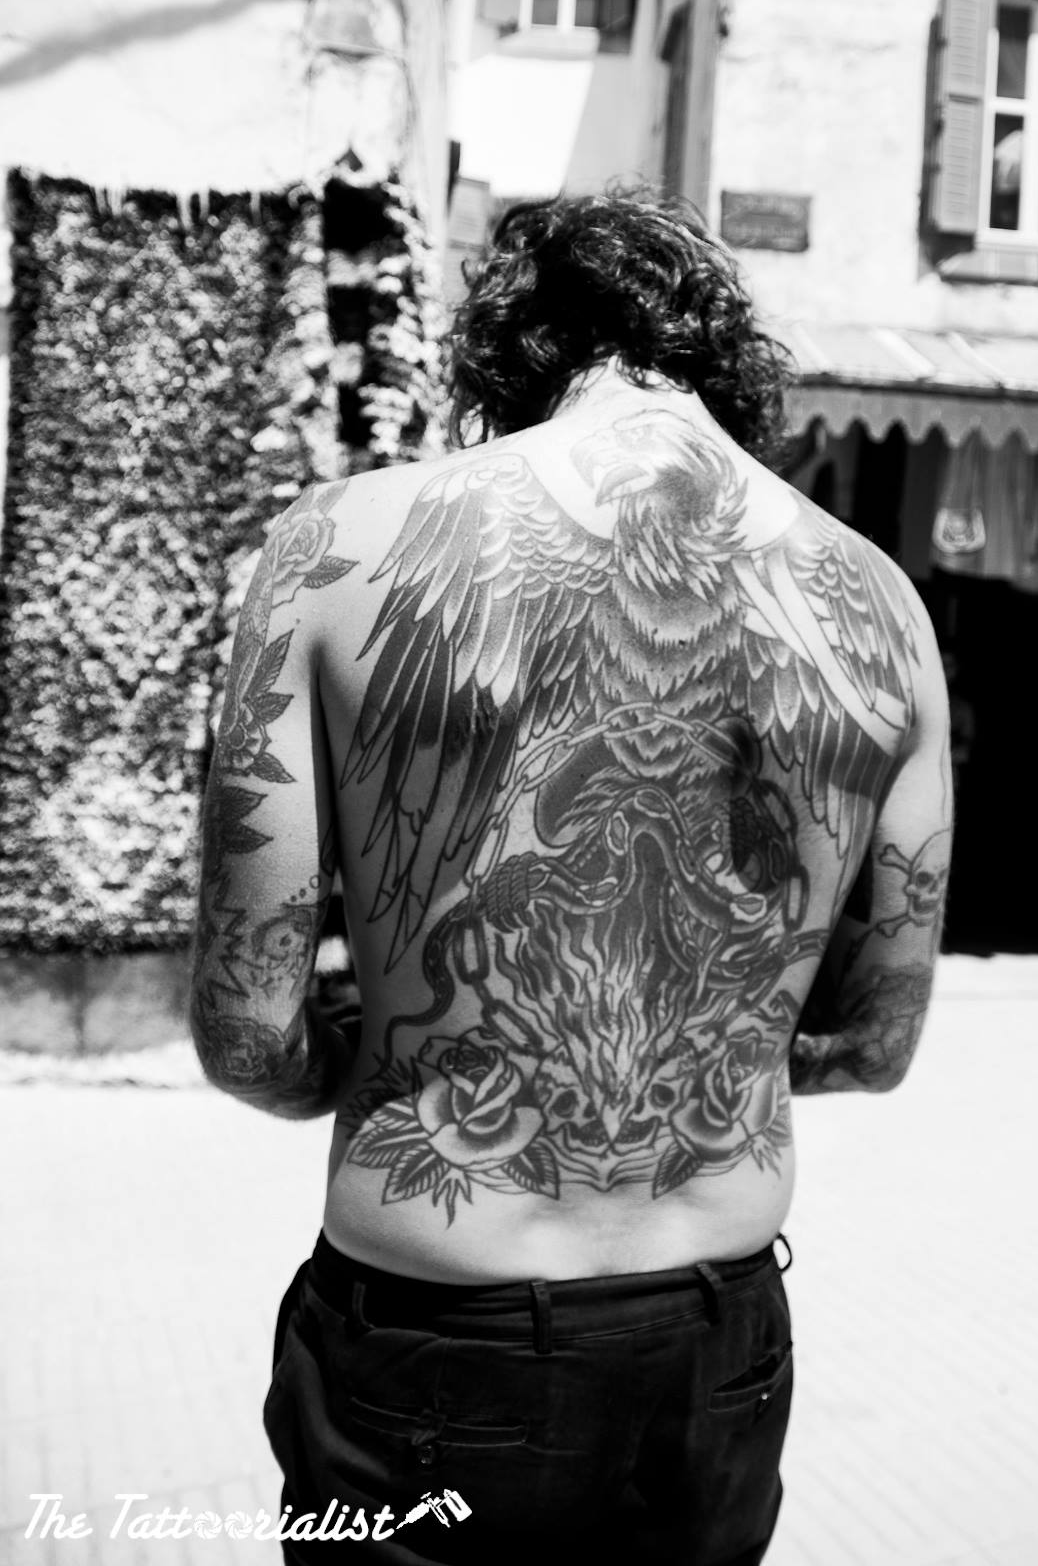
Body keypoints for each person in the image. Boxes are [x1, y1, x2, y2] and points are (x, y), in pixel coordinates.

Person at [190, 190, 952, 1564]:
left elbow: (249, 1033)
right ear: (729, 366)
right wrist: (712, 1062)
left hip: (437, 1334)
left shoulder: (338, 550)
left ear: (505, 357)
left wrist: (367, 1064)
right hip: (715, 1343)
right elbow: (877, 1043)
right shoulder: (882, 606)